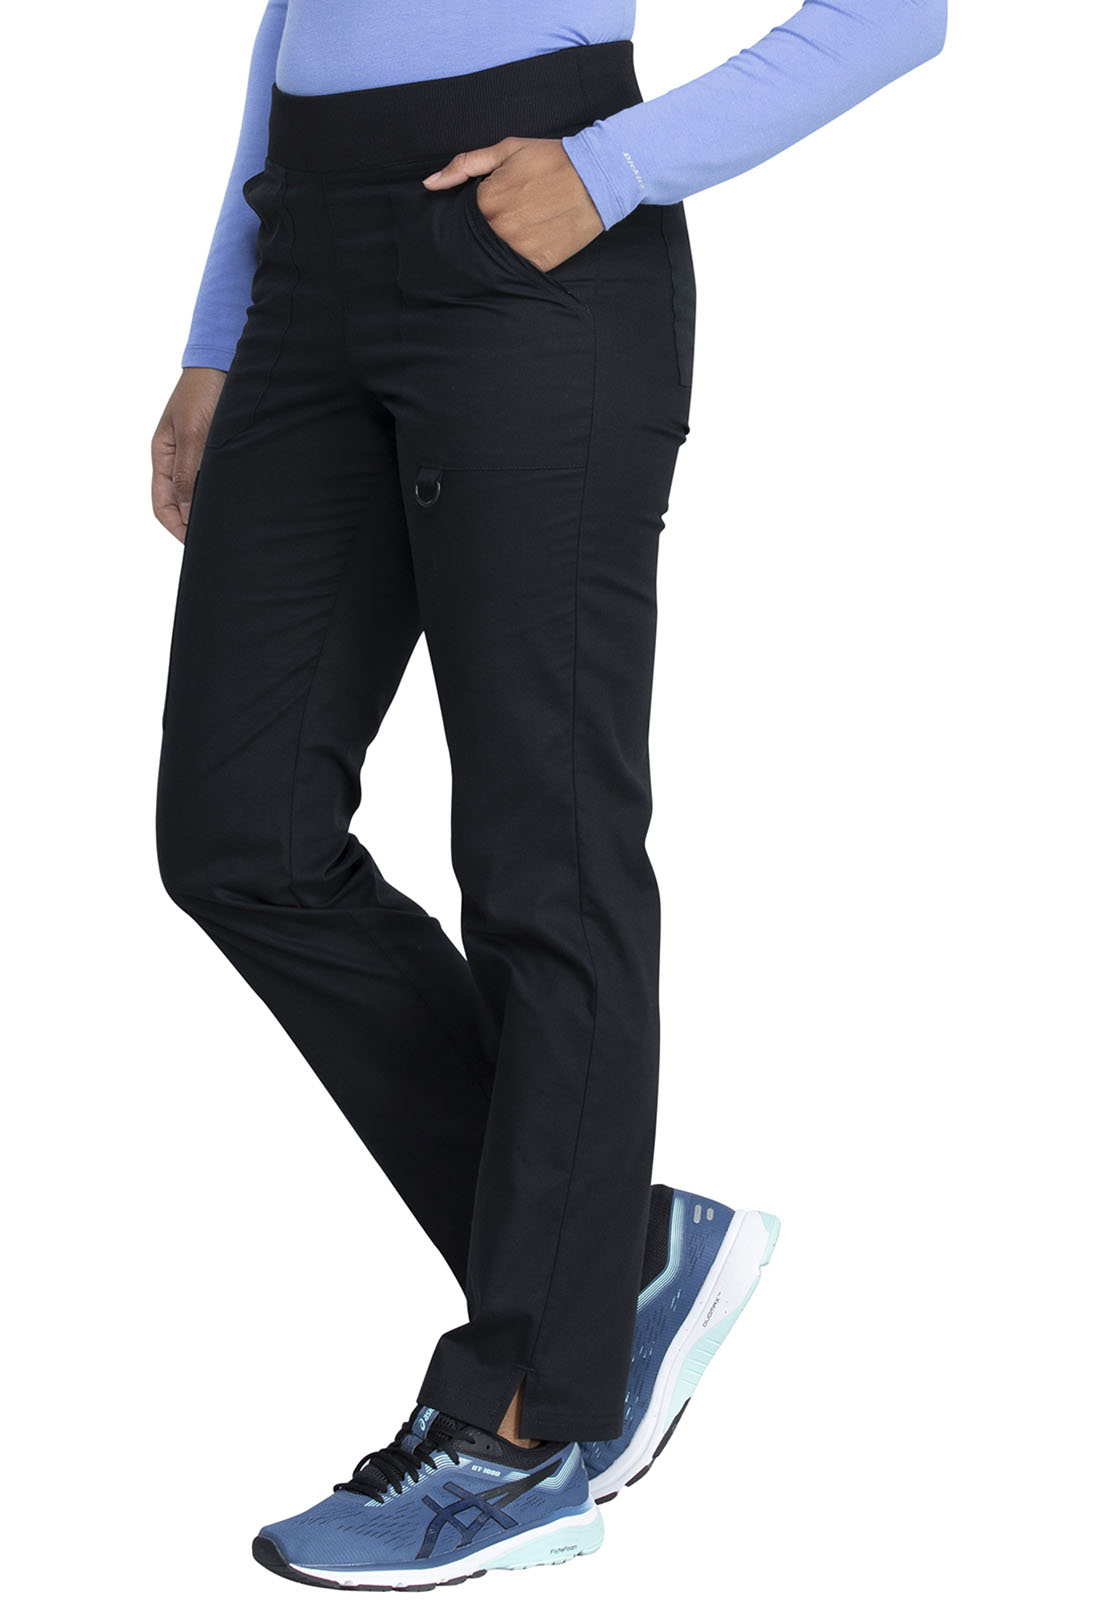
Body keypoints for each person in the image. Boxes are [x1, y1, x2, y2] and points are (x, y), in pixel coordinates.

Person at [150, 2, 947, 1588]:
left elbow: (898, 13)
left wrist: (615, 169)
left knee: (543, 848)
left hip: (531, 242)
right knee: (240, 837)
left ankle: (521, 1424)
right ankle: (616, 1262)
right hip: (309, 254)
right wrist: (219, 332)